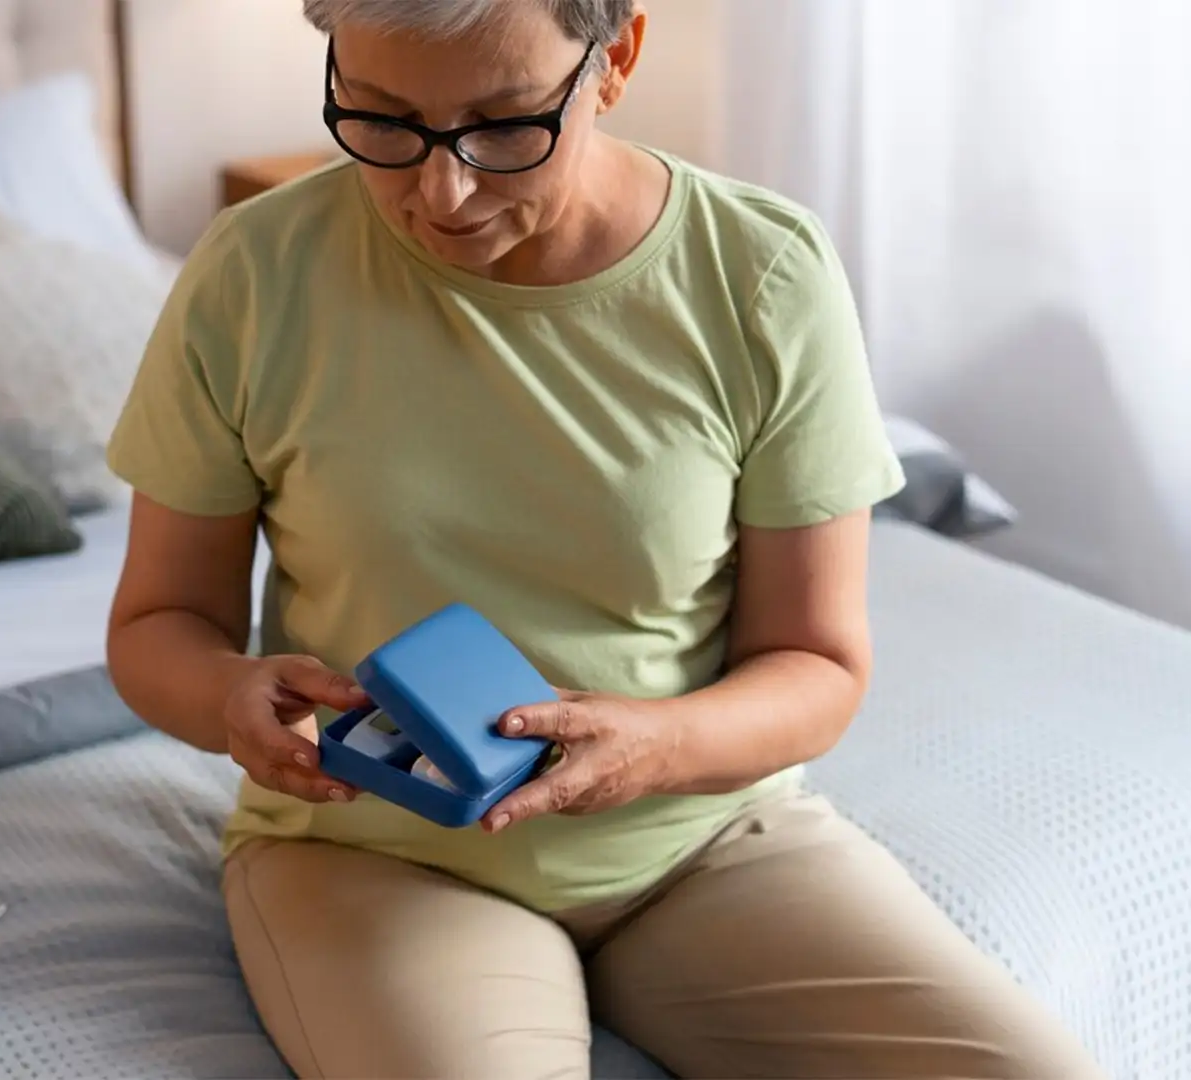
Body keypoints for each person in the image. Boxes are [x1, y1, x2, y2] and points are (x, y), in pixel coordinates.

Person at [103, 1, 1106, 1076]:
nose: (440, 192)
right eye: (383, 120)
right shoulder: (257, 273)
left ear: (615, 58)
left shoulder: (760, 276)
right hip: (377, 854)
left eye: (502, 126)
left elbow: (818, 664)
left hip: (697, 842)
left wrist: (656, 750)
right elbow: (161, 623)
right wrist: (224, 698)